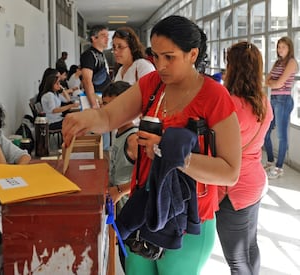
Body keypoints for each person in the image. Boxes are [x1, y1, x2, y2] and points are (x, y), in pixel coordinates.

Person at [62, 15, 241, 275]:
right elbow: (108, 116)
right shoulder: (153, 84)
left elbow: (230, 171)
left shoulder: (214, 96)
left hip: (190, 219)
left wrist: (170, 152)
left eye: (170, 57)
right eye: (156, 56)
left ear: (193, 54)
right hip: (146, 208)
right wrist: (82, 118)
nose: (161, 65)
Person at [216, 42, 273, 275]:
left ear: (233, 68)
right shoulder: (263, 101)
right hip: (255, 181)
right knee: (250, 246)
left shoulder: (230, 105)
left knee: (237, 260)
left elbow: (217, 148)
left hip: (234, 188)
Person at [102, 80, 137, 271]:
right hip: (118, 209)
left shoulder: (133, 139)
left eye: (112, 106)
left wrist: (119, 190)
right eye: (104, 105)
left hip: (130, 211)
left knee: (130, 260)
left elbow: (148, 178)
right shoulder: (118, 133)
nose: (106, 111)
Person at [264, 36, 298, 179]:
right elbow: (267, 80)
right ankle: (271, 161)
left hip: (283, 100)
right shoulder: (278, 62)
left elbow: (278, 84)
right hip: (273, 99)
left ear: (289, 48)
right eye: (279, 47)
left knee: (281, 136)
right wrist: (273, 82)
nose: (280, 49)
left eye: (283, 47)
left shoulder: (292, 62)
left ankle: (279, 168)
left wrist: (273, 82)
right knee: (265, 132)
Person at [80, 25, 111, 108]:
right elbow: (87, 80)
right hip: (96, 98)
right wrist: (94, 104)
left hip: (104, 97)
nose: (107, 39)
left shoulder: (101, 55)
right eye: (103, 36)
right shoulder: (89, 55)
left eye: (108, 36)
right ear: (94, 38)